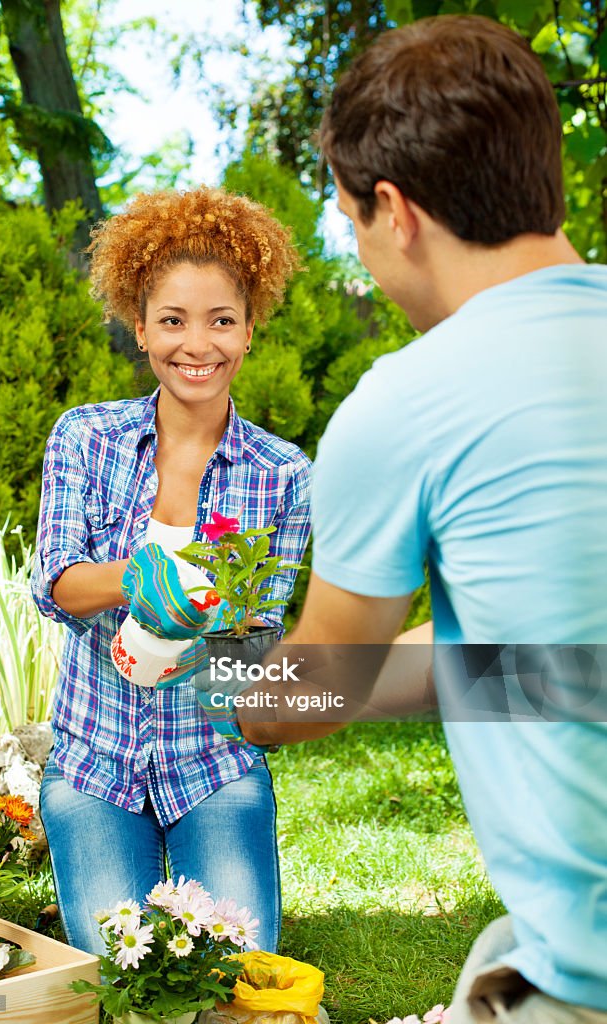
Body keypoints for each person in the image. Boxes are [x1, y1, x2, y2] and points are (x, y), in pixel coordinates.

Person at [212, 15, 607, 1024]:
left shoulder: (410, 402)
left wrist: (219, 673)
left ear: (393, 210)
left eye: (347, 219)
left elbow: (308, 694)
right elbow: (553, 660)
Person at [31, 186, 311, 955]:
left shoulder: (281, 474)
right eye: (174, 320)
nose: (199, 345)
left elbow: (259, 635)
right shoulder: (86, 439)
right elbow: (54, 585)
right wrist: (133, 578)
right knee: (121, 969)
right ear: (141, 328)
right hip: (95, 763)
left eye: (222, 320)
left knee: (227, 964)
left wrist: (211, 640)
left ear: (250, 330)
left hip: (212, 764)